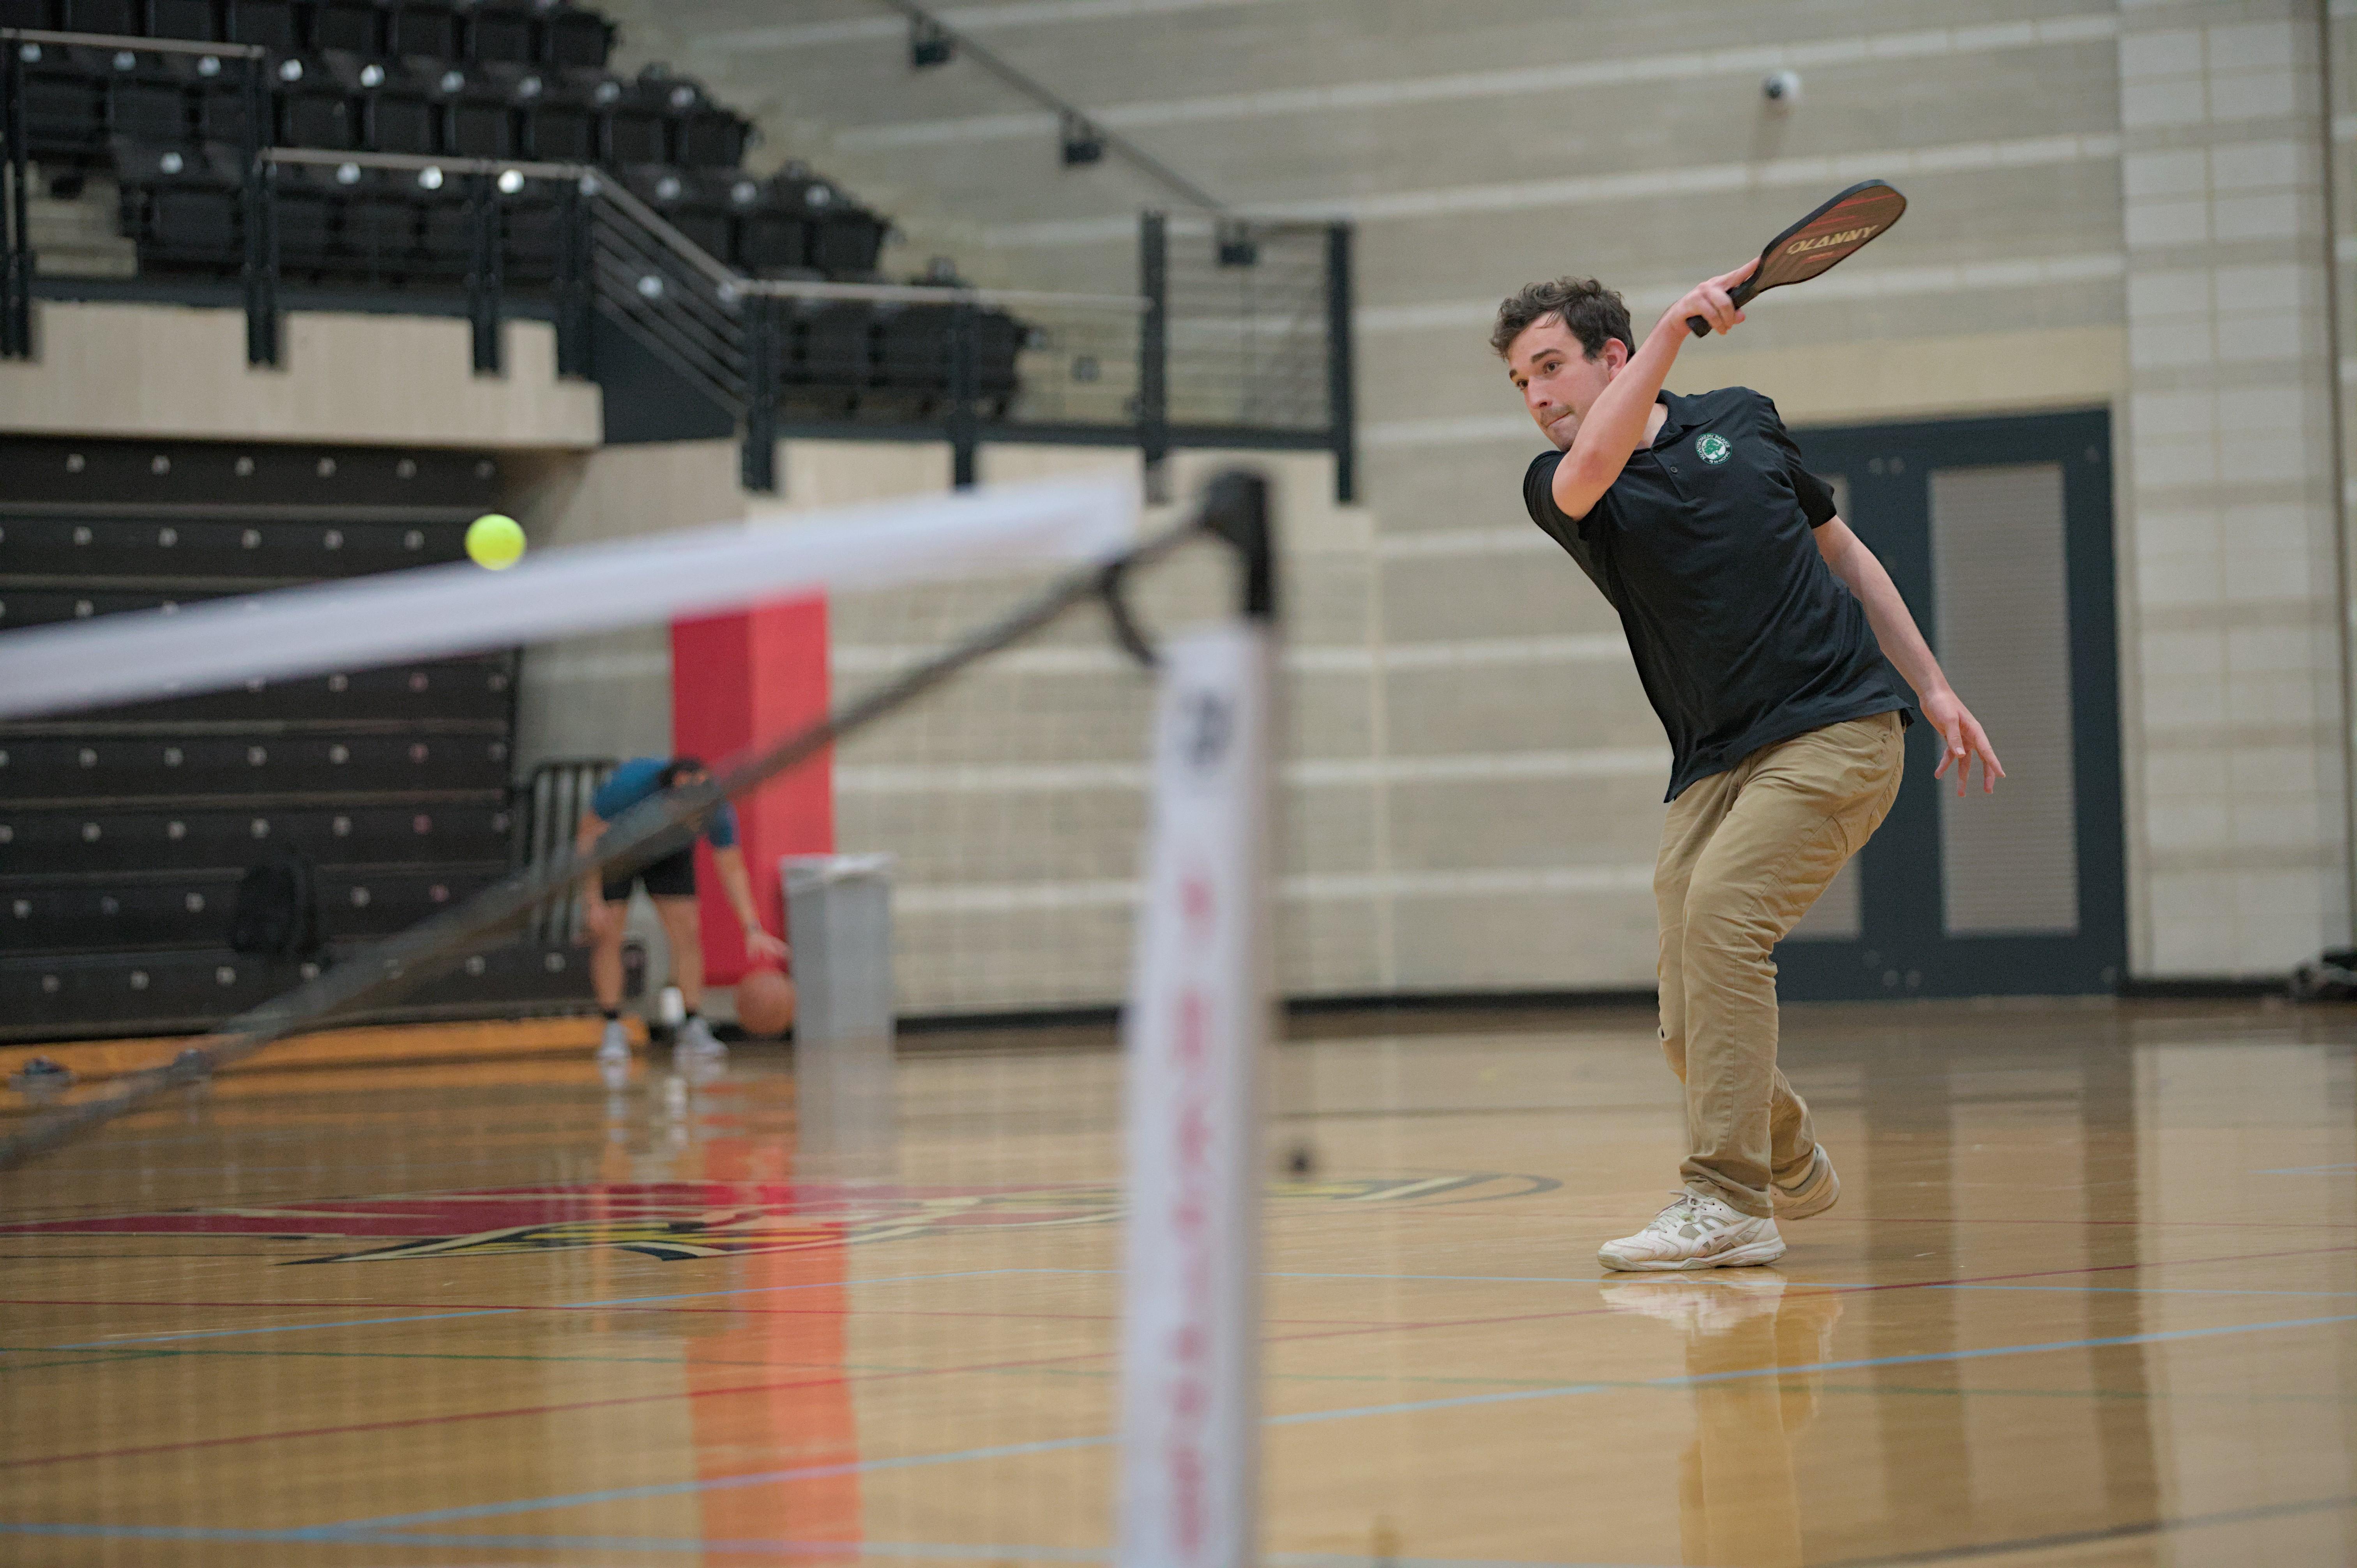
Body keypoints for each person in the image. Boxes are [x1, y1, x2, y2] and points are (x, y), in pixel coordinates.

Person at [1496, 265, 2003, 1271]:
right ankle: (1787, 1149)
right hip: (1714, 763)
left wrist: (1935, 687)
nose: (1538, 397)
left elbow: (1847, 554)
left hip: (1838, 731)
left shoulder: (1744, 421)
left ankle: (1729, 1200)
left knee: (1726, 922)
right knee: (1689, 1025)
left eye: (1551, 368)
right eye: (1520, 384)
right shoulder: (1559, 486)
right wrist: (1677, 332)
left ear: (1612, 356)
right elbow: (1594, 463)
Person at [577, 755, 789, 1074]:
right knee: (608, 933)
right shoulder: (627, 789)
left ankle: (692, 1024)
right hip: (617, 851)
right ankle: (612, 1027)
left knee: (688, 931)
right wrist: (592, 901)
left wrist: (752, 926)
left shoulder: (716, 806)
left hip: (669, 854)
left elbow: (731, 866)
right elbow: (587, 839)